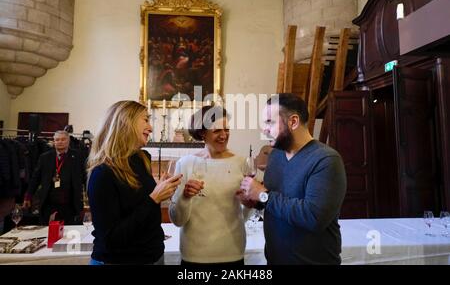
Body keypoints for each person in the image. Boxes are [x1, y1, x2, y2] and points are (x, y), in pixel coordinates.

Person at [240, 93, 347, 265]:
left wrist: (262, 195)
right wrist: (254, 200)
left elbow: (313, 218)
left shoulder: (326, 160)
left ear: (293, 122)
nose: (264, 129)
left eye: (269, 122)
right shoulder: (275, 155)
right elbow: (274, 202)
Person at [87, 100, 181, 265]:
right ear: (125, 122)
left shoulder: (141, 158)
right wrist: (154, 198)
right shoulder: (102, 173)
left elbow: (138, 202)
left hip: (154, 255)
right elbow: (111, 239)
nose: (151, 128)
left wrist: (162, 188)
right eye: (145, 120)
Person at [169, 105, 253, 265]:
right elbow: (177, 220)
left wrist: (249, 204)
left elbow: (244, 216)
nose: (224, 135)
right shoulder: (185, 164)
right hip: (194, 255)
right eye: (216, 131)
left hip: (232, 253)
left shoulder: (241, 163)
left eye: (226, 130)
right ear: (202, 133)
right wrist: (185, 197)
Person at [23, 131, 85, 225]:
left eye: (63, 139)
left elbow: (85, 177)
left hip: (70, 204)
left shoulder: (78, 156)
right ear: (54, 142)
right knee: (47, 232)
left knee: (69, 233)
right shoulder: (45, 157)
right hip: (49, 203)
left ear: (68, 141)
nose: (60, 142)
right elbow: (35, 178)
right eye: (57, 140)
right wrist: (28, 196)